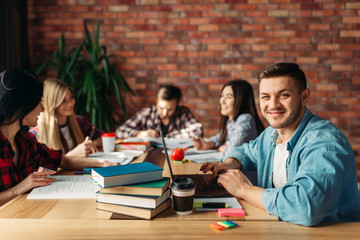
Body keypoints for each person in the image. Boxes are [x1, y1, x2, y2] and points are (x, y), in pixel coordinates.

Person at [200, 63, 360, 226]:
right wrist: (229, 164)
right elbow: (246, 151)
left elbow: (305, 208)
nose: (273, 105)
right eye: (266, 97)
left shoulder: (325, 142)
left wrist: (244, 190)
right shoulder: (272, 133)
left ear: (304, 97)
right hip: (279, 229)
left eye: (283, 95)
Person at [0, 68, 118, 206]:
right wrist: (18, 189)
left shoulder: (26, 141)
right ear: (21, 106)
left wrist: (102, 164)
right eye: (39, 102)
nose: (43, 109)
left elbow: (62, 161)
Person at [30, 78, 102, 157]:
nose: (70, 104)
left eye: (71, 97)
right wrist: (72, 155)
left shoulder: (79, 121)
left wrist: (92, 143)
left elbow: (105, 137)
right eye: (63, 101)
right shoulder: (35, 134)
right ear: (50, 104)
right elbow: (39, 169)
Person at [191, 80, 264, 156]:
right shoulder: (231, 121)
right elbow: (220, 137)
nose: (222, 101)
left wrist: (224, 148)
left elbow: (233, 151)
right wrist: (208, 144)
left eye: (228, 97)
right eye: (222, 96)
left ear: (241, 100)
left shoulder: (245, 119)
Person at [116, 84, 203, 139]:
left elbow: (198, 130)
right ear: (156, 101)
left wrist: (169, 136)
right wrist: (140, 133)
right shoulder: (147, 113)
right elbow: (120, 131)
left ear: (177, 104)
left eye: (170, 109)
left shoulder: (183, 113)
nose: (165, 113)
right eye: (161, 108)